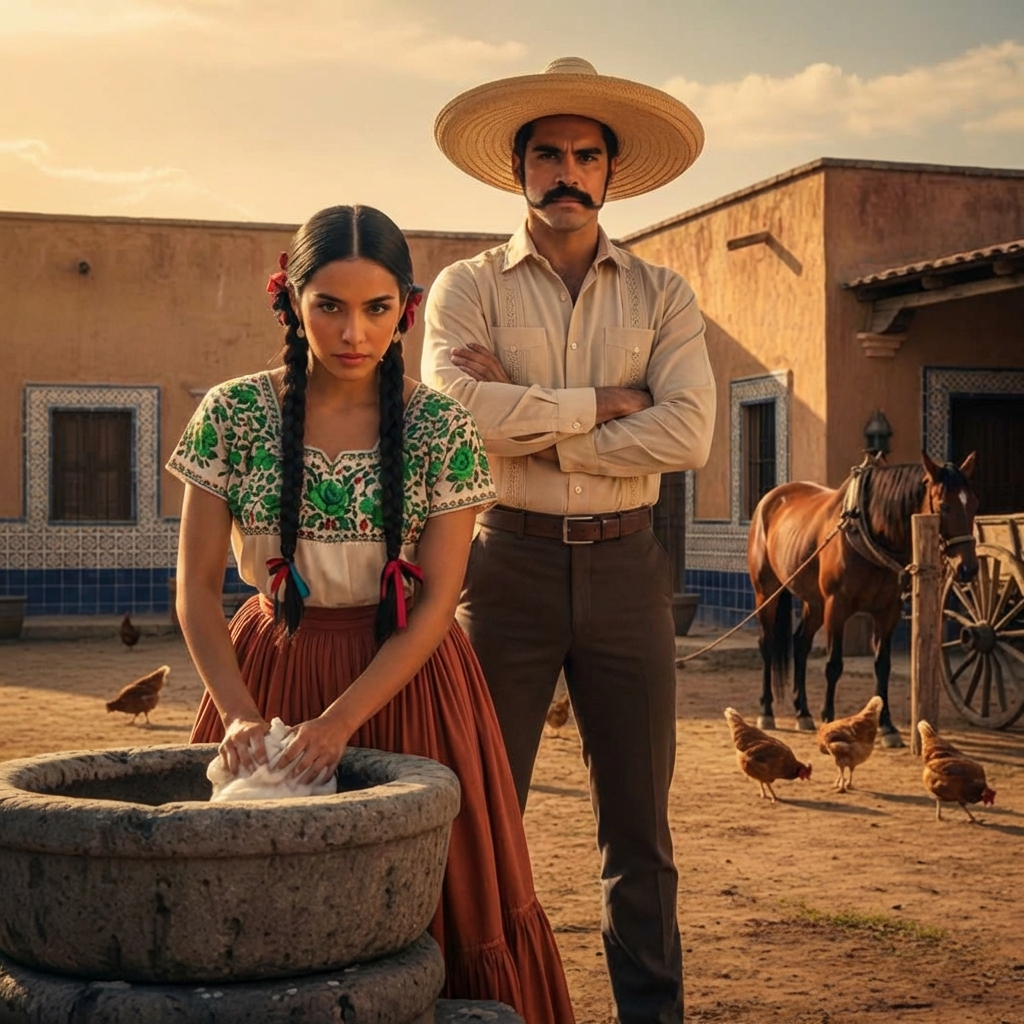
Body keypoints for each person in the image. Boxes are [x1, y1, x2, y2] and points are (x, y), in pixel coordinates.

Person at [167, 204, 575, 1024]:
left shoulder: (441, 426)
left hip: (409, 688)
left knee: (441, 899)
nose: (354, 331)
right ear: (290, 300)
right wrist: (246, 720)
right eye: (330, 306)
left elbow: (435, 605)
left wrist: (339, 722)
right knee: (255, 911)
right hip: (266, 675)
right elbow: (196, 591)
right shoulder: (232, 413)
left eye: (377, 308)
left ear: (407, 309)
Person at [422, 58, 716, 1024]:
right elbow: (456, 417)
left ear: (610, 174)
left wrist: (529, 406)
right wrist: (608, 404)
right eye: (546, 151)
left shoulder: (664, 294)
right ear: (517, 167)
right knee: (479, 817)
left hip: (631, 566)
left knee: (639, 827)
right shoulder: (464, 288)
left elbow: (690, 433)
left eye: (586, 155)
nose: (566, 170)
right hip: (502, 565)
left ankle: (651, 1014)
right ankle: (478, 1007)